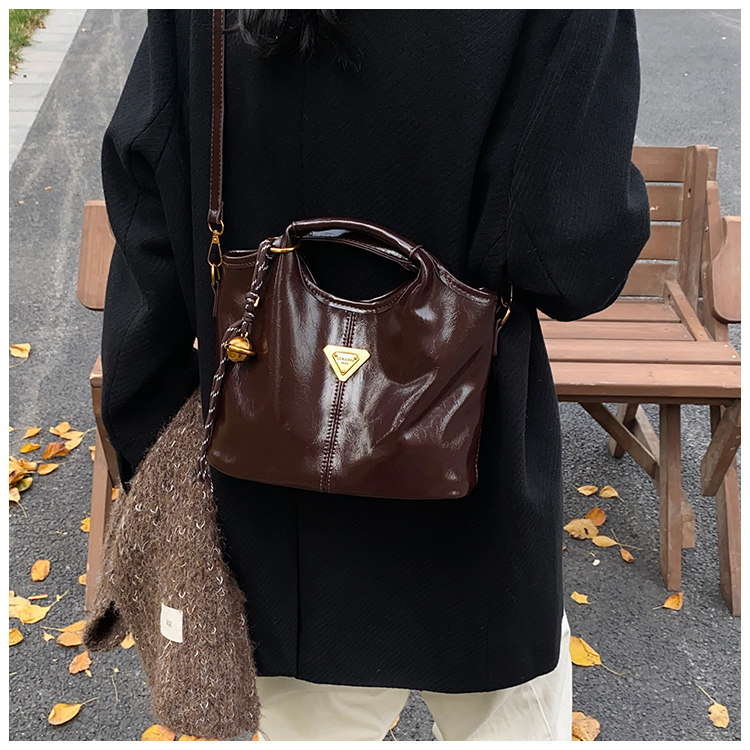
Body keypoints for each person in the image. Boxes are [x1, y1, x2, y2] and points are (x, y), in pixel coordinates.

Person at [100, 10, 650, 741]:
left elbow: (147, 196)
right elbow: (572, 256)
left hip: (271, 507)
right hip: (475, 493)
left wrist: (150, 444)